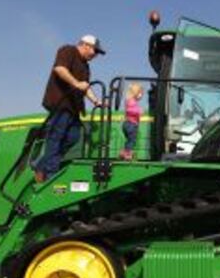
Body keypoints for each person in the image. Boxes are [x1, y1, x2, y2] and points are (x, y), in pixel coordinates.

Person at [34, 35, 106, 183]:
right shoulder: (67, 51)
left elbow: (85, 87)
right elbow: (60, 69)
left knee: (73, 137)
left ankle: (41, 164)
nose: (96, 55)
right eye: (95, 50)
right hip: (60, 103)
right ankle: (50, 175)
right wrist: (75, 83)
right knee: (56, 137)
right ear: (85, 45)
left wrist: (97, 101)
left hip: (74, 108)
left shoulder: (86, 66)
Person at [120, 83, 143, 161]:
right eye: (140, 93)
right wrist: (138, 111)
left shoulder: (131, 101)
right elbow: (129, 110)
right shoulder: (131, 101)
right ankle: (128, 153)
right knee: (132, 140)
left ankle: (125, 152)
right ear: (135, 93)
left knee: (129, 140)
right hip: (131, 124)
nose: (141, 95)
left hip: (129, 124)